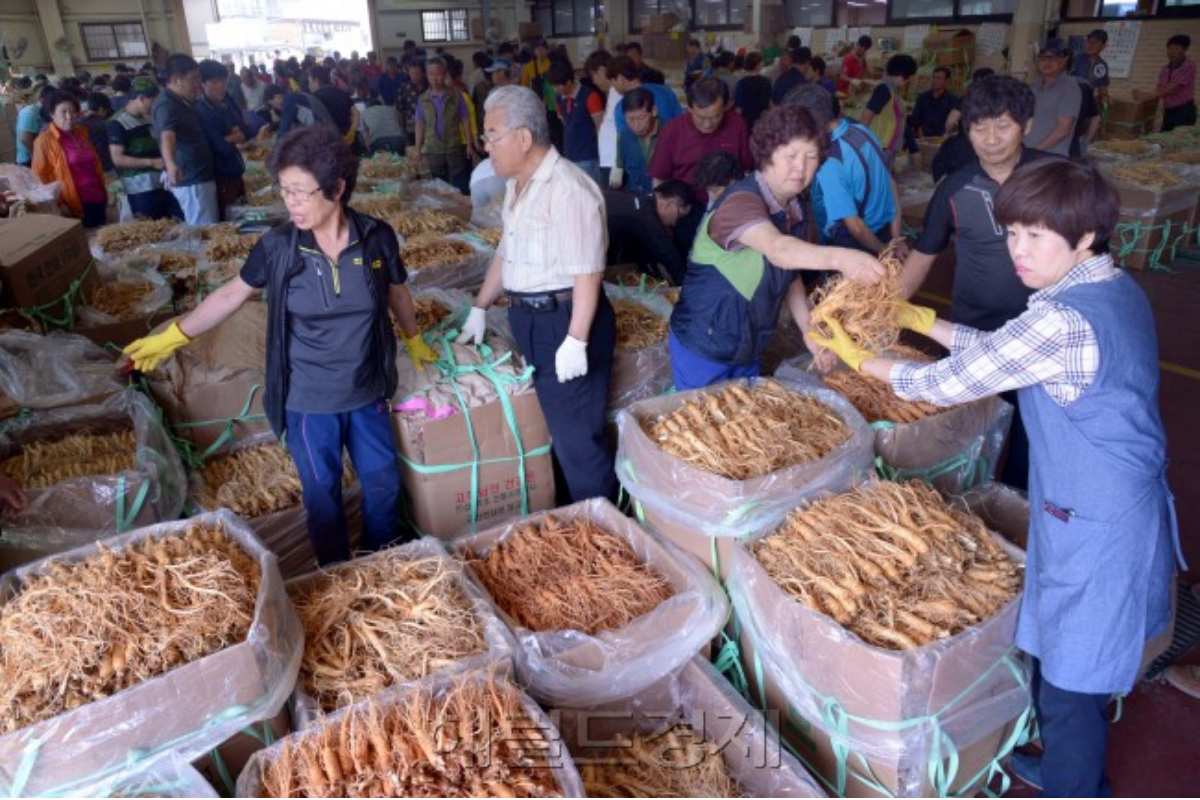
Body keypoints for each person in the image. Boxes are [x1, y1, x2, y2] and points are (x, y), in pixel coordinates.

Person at [812, 158, 1180, 798]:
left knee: (1074, 675)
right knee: (1058, 653)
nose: (1019, 250)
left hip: (1100, 519)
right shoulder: (1113, 288)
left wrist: (860, 359)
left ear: (1086, 235)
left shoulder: (1063, 320)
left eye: (1036, 236)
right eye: (1011, 233)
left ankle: (1076, 786)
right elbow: (1003, 348)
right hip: (1099, 502)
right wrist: (923, 321)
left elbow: (940, 384)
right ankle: (1066, 764)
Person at [122, 125, 436, 566]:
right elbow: (231, 295)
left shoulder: (376, 237)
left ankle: (382, 562)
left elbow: (398, 293)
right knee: (323, 495)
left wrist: (415, 339)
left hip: (367, 389)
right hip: (309, 399)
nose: (291, 203)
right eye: (285, 191)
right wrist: (171, 337)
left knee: (383, 484)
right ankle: (337, 574)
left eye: (301, 193)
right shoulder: (280, 248)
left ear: (338, 188)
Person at [455, 85, 616, 504]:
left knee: (578, 437)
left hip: (564, 320)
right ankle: (574, 510)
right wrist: (479, 307)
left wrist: (576, 340)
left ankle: (604, 526)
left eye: (492, 136)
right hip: (530, 319)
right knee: (558, 429)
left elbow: (587, 273)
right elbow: (507, 252)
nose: (486, 146)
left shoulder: (568, 189)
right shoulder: (517, 186)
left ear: (523, 138)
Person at [899, 75, 1052, 491]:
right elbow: (922, 256)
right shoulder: (955, 186)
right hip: (971, 332)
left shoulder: (1054, 178)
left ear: (1027, 125)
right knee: (968, 434)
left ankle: (1013, 510)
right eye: (979, 127)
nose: (991, 139)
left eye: (1003, 125)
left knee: (1031, 439)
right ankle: (968, 508)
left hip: (1043, 335)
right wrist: (881, 308)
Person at [667, 104, 883, 391]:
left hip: (749, 344)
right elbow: (779, 250)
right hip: (704, 344)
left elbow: (789, 273)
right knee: (702, 426)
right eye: (791, 156)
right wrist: (842, 257)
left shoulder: (794, 208)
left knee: (743, 427)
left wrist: (809, 331)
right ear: (767, 155)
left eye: (811, 157)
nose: (801, 167)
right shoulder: (740, 202)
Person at [784, 84, 900, 257]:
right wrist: (895, 240)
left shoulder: (830, 162)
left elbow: (856, 227)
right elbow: (890, 183)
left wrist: (884, 252)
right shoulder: (862, 131)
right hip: (884, 231)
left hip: (860, 243)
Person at [648, 77, 753, 200]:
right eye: (701, 117)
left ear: (726, 107)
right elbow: (659, 178)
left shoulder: (737, 125)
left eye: (716, 116)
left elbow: (746, 170)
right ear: (689, 109)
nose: (707, 124)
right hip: (685, 205)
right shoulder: (672, 130)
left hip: (727, 201)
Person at [153, 54, 219, 225]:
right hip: (192, 181)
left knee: (208, 227)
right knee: (204, 231)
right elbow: (167, 135)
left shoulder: (181, 101)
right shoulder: (167, 104)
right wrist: (171, 163)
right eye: (194, 79)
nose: (198, 84)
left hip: (199, 177)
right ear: (176, 80)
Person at [108, 77, 183, 221]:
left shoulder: (149, 117)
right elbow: (117, 158)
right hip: (141, 192)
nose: (155, 106)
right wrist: (152, 162)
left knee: (175, 225)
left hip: (163, 185)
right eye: (153, 101)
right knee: (153, 232)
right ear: (142, 99)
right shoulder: (117, 123)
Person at [32, 90, 108, 228]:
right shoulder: (44, 141)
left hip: (97, 196)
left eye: (73, 112)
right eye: (64, 112)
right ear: (52, 114)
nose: (69, 116)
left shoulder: (81, 133)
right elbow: (41, 177)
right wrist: (59, 203)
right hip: (74, 204)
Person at [604, 179, 694, 285]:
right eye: (679, 216)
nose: (675, 223)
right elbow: (672, 260)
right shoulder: (647, 219)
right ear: (670, 204)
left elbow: (646, 254)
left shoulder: (642, 198)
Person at [196, 59, 248, 219]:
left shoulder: (225, 105)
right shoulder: (201, 111)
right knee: (231, 221)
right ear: (202, 83)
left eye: (223, 81)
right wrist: (234, 137)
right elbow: (220, 146)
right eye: (214, 82)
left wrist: (231, 137)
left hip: (235, 171)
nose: (221, 86)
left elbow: (245, 129)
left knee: (242, 216)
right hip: (220, 176)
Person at [414, 56, 474, 194]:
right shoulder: (423, 99)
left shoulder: (456, 96)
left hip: (454, 147)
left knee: (459, 183)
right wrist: (418, 148)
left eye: (438, 75)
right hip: (433, 149)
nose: (435, 79)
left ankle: (462, 211)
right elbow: (419, 125)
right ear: (426, 75)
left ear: (445, 74)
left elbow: (465, 119)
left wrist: (469, 144)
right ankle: (446, 213)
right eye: (431, 75)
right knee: (439, 185)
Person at [931, 67, 995, 181]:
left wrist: (948, 132)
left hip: (964, 144)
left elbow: (950, 121)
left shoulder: (966, 99)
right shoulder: (999, 101)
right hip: (988, 146)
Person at [549, 60, 603, 184]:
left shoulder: (590, 96)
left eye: (558, 85)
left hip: (589, 158)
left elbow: (600, 128)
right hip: (569, 157)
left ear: (569, 81)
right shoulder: (558, 98)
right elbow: (566, 125)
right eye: (553, 85)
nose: (555, 89)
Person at [861, 54, 918, 167]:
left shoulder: (893, 90)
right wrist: (861, 141)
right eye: (910, 77)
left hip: (887, 146)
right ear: (902, 75)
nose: (909, 81)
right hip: (881, 146)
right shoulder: (884, 89)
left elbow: (897, 119)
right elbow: (867, 114)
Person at [1027, 38, 1080, 157]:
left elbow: (1063, 130)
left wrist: (1035, 151)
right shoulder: (1035, 84)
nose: (1047, 62)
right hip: (1028, 151)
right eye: (1043, 58)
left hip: (1051, 157)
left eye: (1053, 58)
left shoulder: (1070, 87)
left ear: (1065, 60)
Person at [1135, 34, 1196, 132]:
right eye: (1169, 48)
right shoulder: (1164, 69)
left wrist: (1147, 96)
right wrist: (1144, 97)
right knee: (1163, 142)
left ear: (1185, 49)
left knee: (1177, 143)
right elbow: (1159, 90)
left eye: (1176, 48)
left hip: (1183, 111)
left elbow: (1173, 89)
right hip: (1168, 111)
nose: (1172, 52)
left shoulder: (1189, 65)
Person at [611, 56, 682, 138]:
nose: (613, 86)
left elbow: (625, 143)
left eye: (612, 82)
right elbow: (681, 124)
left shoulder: (622, 107)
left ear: (620, 79)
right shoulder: (665, 91)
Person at [612, 87, 659, 193]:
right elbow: (619, 166)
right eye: (630, 119)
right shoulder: (624, 136)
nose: (636, 125)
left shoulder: (671, 133)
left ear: (654, 111)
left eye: (641, 118)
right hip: (636, 199)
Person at [1070, 30, 1110, 155]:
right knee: (1071, 132)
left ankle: (1082, 151)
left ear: (1103, 46)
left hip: (1089, 104)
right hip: (1073, 102)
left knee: (1088, 129)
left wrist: (1105, 96)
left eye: (1095, 43)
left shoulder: (1102, 65)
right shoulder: (1076, 60)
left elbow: (1103, 87)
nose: (1090, 45)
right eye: (1089, 42)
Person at [584, 50, 620, 188]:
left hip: (614, 163)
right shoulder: (611, 93)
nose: (593, 81)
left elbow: (622, 130)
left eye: (593, 75)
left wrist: (618, 166)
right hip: (608, 161)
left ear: (602, 70)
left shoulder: (617, 94)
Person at [911, 67, 960, 139]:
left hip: (943, 138)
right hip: (923, 137)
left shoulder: (953, 100)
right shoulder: (923, 97)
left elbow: (954, 124)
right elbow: (916, 119)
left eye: (939, 78)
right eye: (934, 77)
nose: (935, 81)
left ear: (946, 81)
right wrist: (921, 136)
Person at [15, 84, 53, 168]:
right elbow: (25, 139)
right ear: (42, 100)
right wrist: (37, 157)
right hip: (28, 160)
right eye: (51, 103)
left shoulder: (44, 112)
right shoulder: (30, 112)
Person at [734, 52, 772, 133]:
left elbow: (738, 108)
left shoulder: (741, 83)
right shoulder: (766, 81)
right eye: (761, 62)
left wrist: (737, 125)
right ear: (758, 65)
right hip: (763, 120)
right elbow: (770, 103)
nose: (762, 64)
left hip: (747, 121)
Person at [81, 91, 116, 173]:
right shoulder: (104, 125)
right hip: (106, 166)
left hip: (89, 168)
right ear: (101, 109)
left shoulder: (79, 123)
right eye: (106, 111)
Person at [398, 57, 429, 149]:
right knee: (414, 153)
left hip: (429, 127)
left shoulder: (430, 88)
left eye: (417, 74)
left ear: (423, 74)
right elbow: (399, 109)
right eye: (412, 73)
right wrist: (402, 129)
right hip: (411, 127)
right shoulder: (404, 88)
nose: (414, 76)